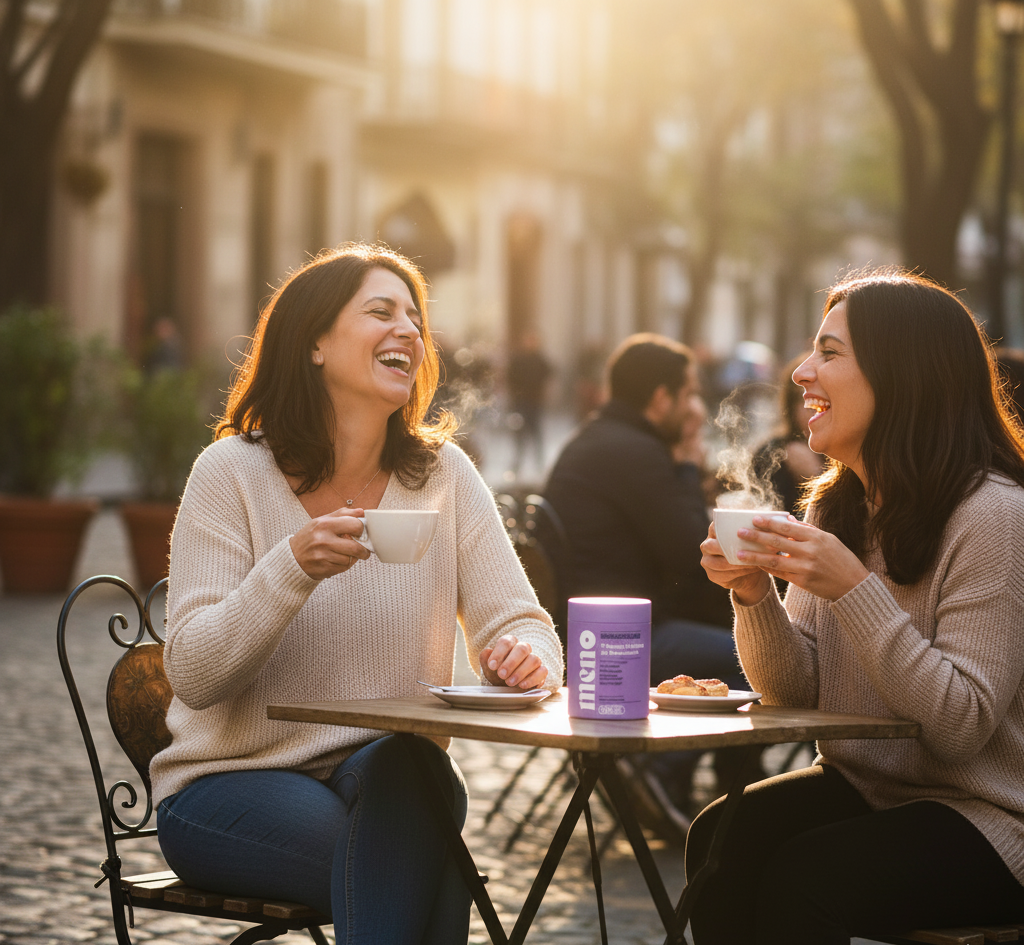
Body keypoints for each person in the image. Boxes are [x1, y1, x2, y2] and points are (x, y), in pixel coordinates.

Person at [149, 243, 563, 945]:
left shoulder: (445, 475)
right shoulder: (232, 473)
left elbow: (525, 621)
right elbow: (192, 671)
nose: (408, 329)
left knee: (416, 770)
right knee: (424, 854)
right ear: (314, 341)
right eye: (381, 311)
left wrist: (526, 657)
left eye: (415, 318)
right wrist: (291, 567)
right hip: (232, 782)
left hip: (387, 777)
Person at [695, 270, 1024, 944]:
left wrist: (854, 589)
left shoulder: (994, 516)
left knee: (806, 875)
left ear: (903, 375)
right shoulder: (835, 505)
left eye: (830, 352)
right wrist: (753, 596)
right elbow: (799, 691)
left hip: (990, 815)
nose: (800, 372)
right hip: (869, 788)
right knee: (720, 841)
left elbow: (959, 726)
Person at [545, 333, 751, 841]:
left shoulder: (597, 439)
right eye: (690, 394)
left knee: (739, 648)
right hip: (621, 644)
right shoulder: (638, 452)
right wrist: (684, 463)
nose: (696, 408)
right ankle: (666, 768)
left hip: (596, 635)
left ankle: (715, 793)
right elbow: (692, 555)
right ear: (661, 399)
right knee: (754, 660)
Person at [752, 352, 825, 519]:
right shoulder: (772, 453)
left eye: (820, 399)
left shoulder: (848, 458)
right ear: (790, 406)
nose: (811, 409)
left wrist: (816, 478)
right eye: (803, 400)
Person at [506, 330, 553, 477]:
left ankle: (539, 464)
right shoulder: (518, 359)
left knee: (536, 433)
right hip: (521, 401)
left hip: (535, 401)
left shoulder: (540, 359)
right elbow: (509, 377)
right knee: (519, 433)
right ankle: (517, 464)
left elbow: (549, 374)